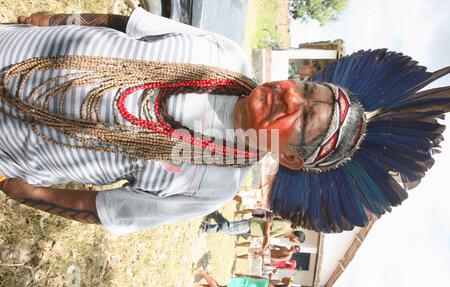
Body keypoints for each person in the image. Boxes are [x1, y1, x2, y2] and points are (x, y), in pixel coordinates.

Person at [1, 9, 450, 236]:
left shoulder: (211, 185)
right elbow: (131, 26)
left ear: (292, 157)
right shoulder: (225, 54)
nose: (289, 93)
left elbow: (105, 210)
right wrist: (64, 20)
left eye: (305, 115)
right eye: (307, 86)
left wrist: (30, 192)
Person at [200, 212, 305, 249]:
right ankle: (210, 221)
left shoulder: (284, 235)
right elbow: (268, 223)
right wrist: (267, 239)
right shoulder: (285, 227)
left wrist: (266, 242)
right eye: (297, 241)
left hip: (253, 231)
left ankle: (210, 222)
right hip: (253, 225)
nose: (294, 242)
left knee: (229, 228)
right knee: (229, 229)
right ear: (297, 237)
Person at [194, 267, 294, 287]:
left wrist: (245, 275)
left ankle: (199, 286)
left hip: (245, 281)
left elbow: (258, 277)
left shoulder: (273, 283)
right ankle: (202, 272)